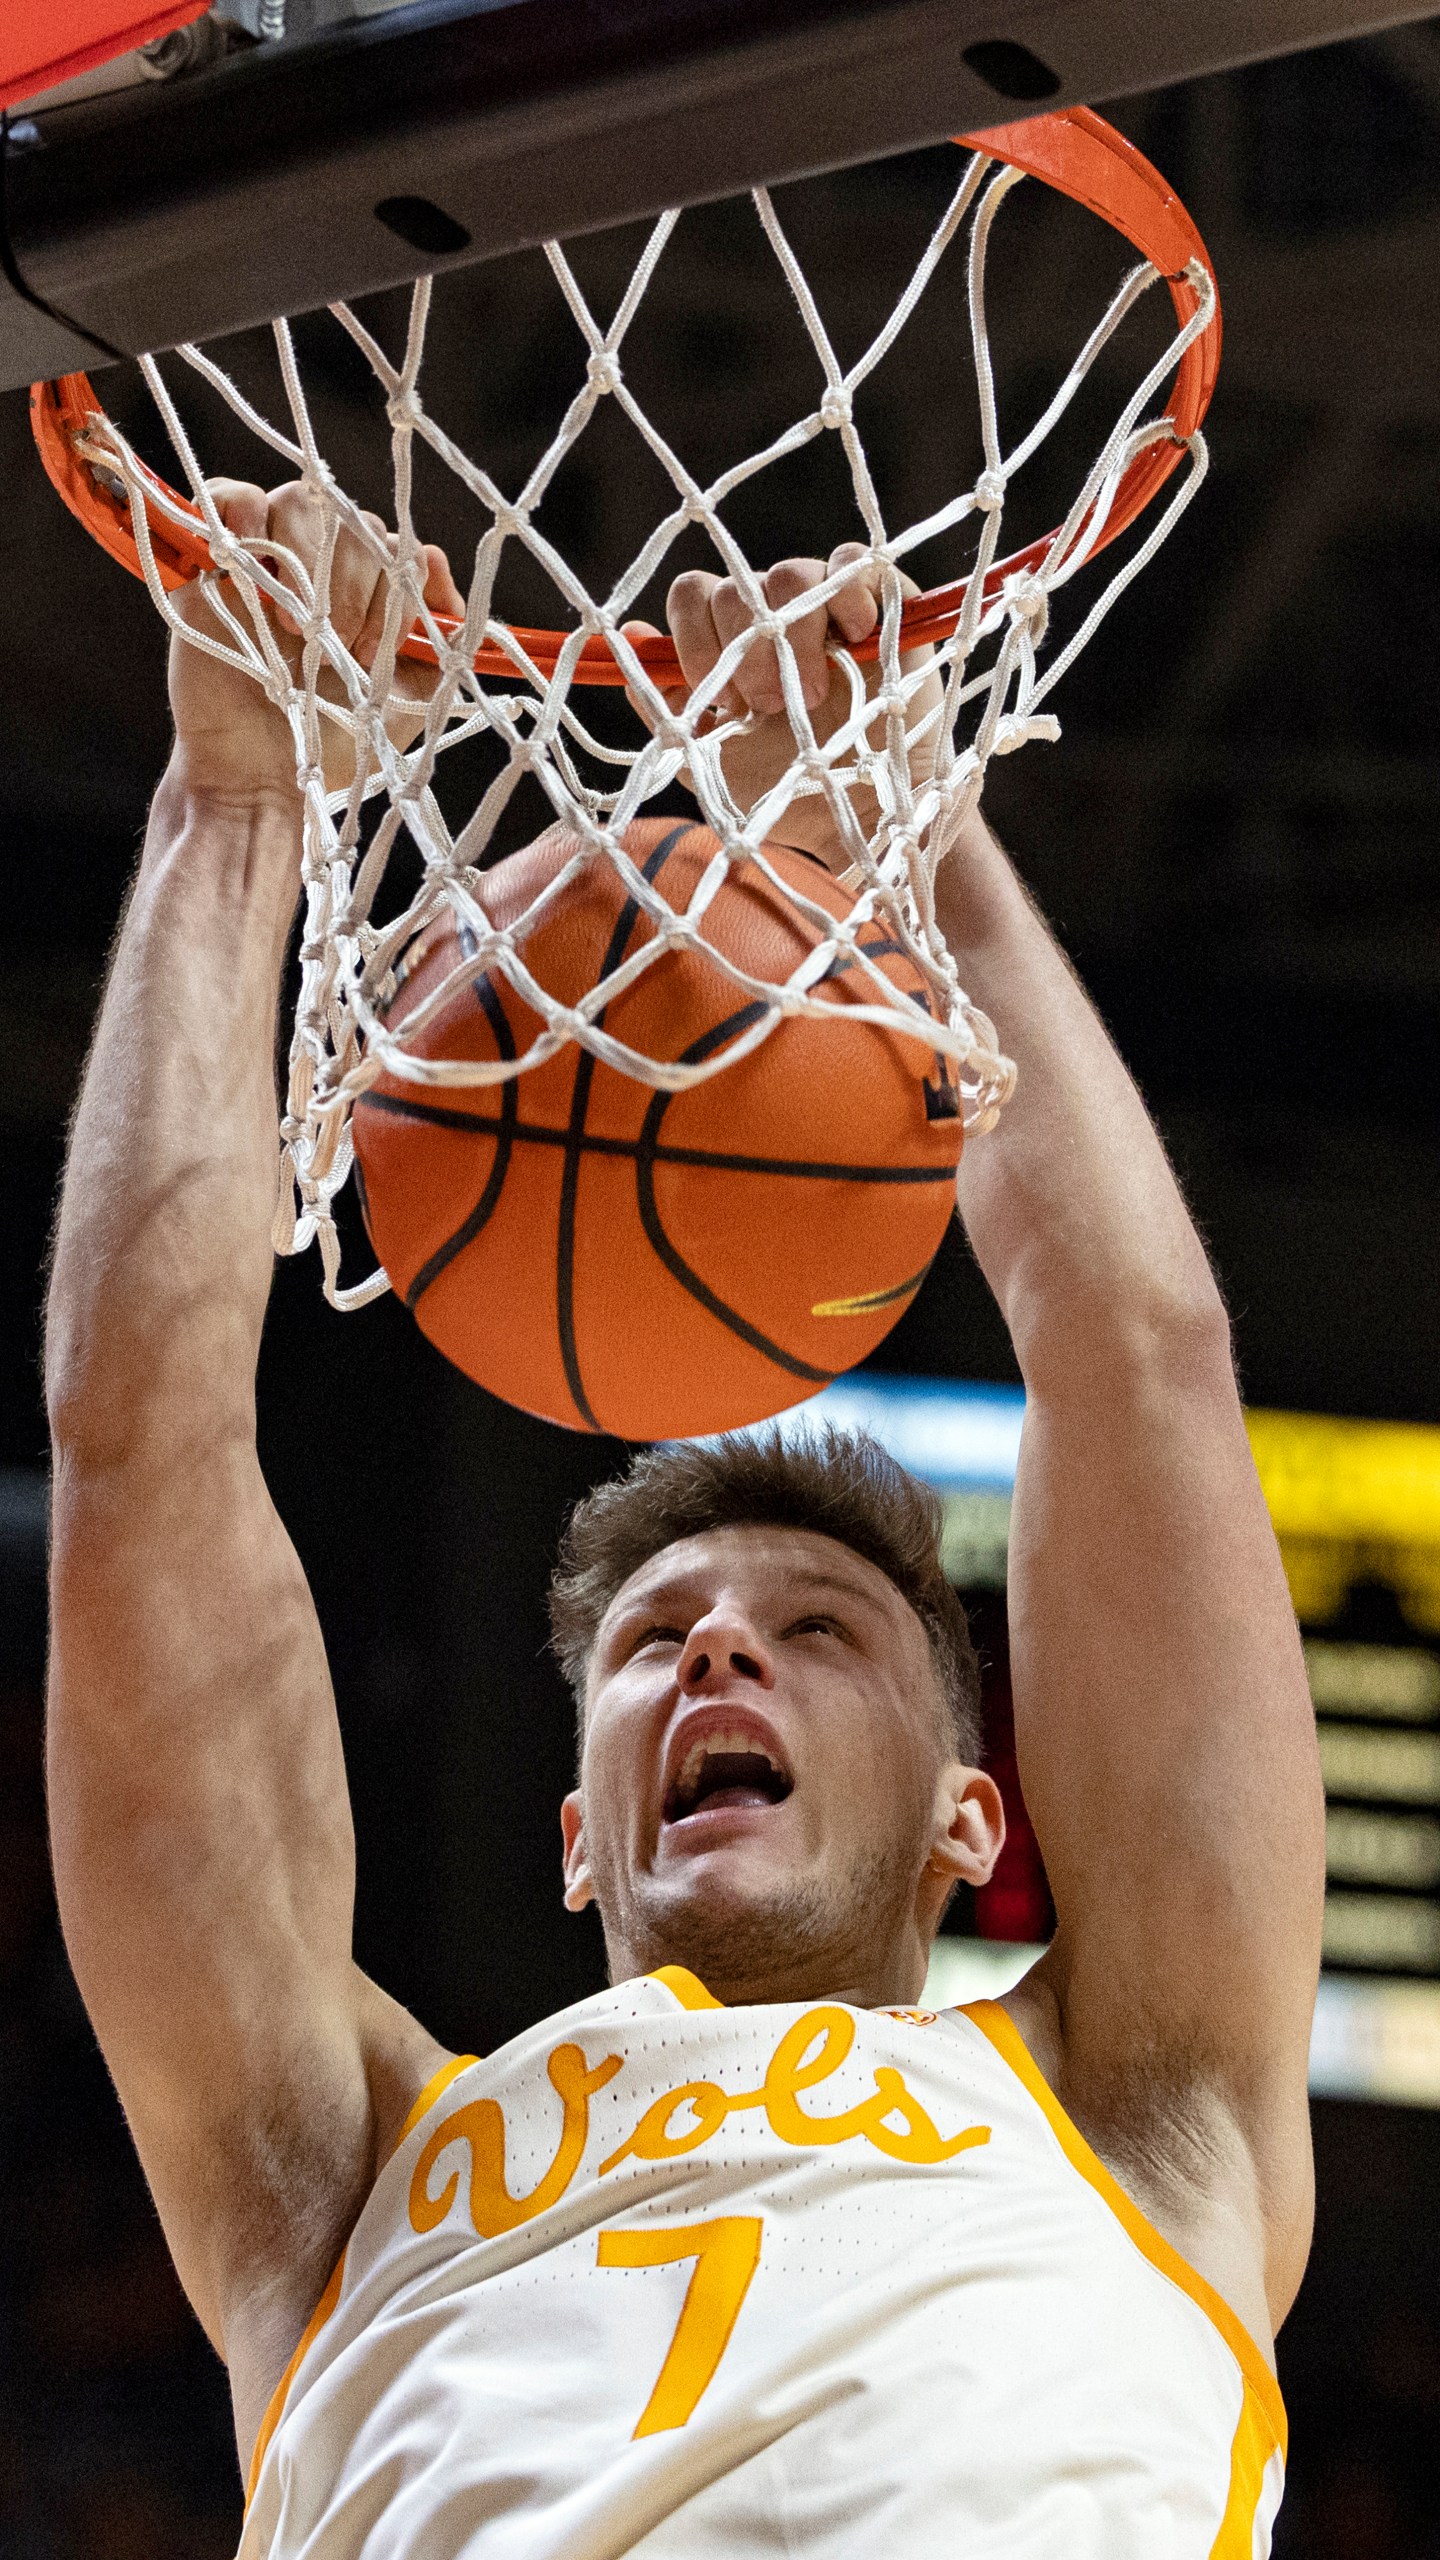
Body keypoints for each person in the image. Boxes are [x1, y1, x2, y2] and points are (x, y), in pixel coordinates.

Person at [44, 486, 1324, 2558]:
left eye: (818, 1627)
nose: (717, 1649)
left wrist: (907, 843)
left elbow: (1141, 1357)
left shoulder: (1135, 2101)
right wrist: (235, 797)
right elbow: (139, 1454)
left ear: (972, 1817)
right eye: (656, 1641)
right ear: (577, 1830)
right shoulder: (348, 2166)